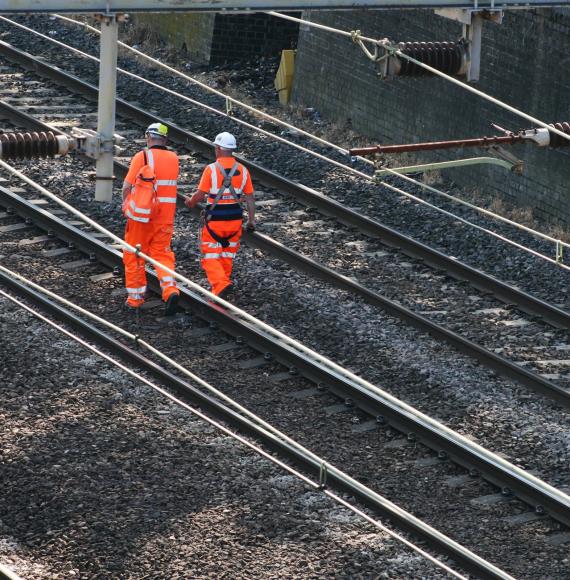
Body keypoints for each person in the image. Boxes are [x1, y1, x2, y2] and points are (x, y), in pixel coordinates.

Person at [185, 132, 255, 298]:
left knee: (210, 257)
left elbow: (201, 194)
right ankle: (220, 293)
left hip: (215, 222)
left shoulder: (212, 170)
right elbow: (250, 199)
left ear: (217, 149)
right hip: (235, 222)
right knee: (227, 255)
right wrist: (251, 221)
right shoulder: (243, 171)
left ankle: (221, 284)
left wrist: (191, 202)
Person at [121, 122, 180, 315]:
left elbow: (127, 186)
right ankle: (170, 290)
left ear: (148, 136)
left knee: (134, 254)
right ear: (165, 139)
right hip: (165, 218)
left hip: (142, 217)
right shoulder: (174, 158)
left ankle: (135, 299)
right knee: (162, 254)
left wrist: (127, 205)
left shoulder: (143, 156)